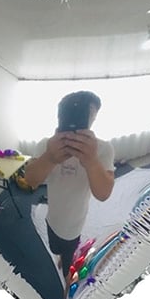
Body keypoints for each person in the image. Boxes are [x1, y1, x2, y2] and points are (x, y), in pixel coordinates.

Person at [24, 91, 115, 286]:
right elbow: (30, 181)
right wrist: (49, 157)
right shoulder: (47, 145)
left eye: (88, 116)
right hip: (52, 219)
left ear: (94, 119)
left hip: (75, 223)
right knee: (54, 248)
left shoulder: (102, 149)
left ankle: (66, 276)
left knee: (68, 257)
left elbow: (103, 194)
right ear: (60, 116)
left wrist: (91, 161)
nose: (82, 122)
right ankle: (60, 259)